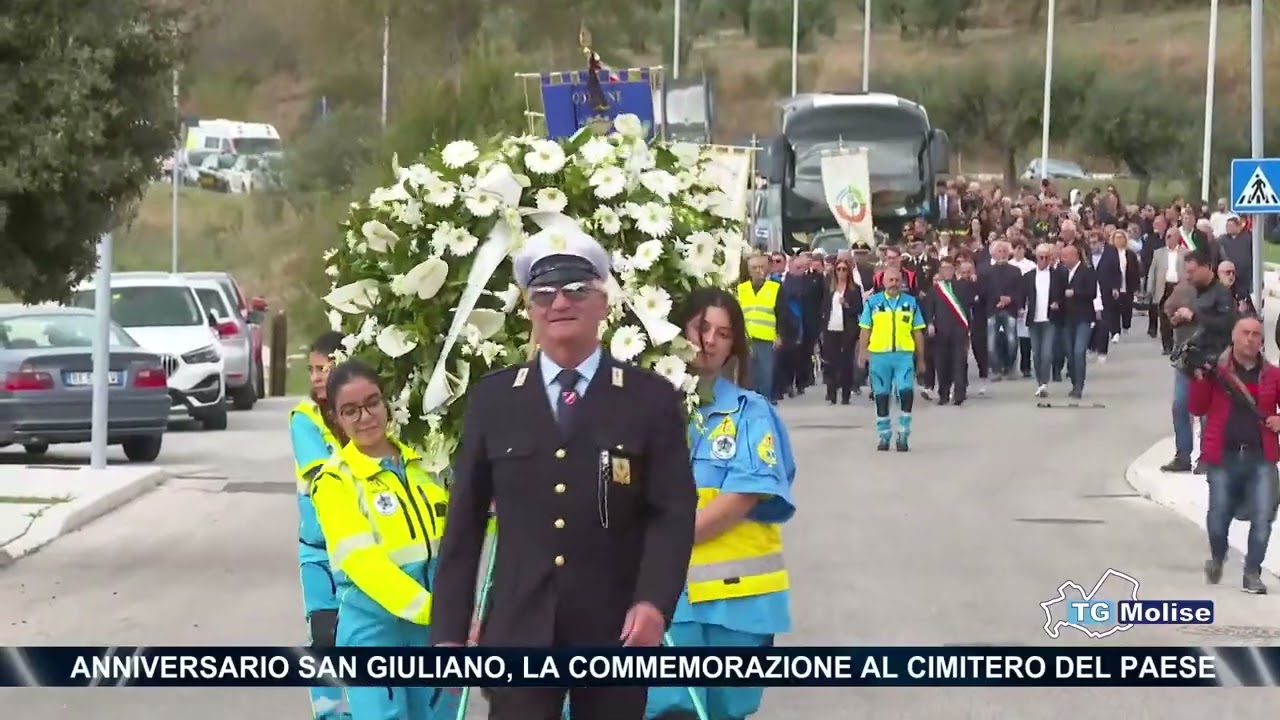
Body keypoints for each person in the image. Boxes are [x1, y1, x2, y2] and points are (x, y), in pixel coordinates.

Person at [431, 227, 697, 720]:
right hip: (517, 629)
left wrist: (654, 602)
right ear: (530, 310)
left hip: (615, 628)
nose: (560, 304)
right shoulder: (494, 399)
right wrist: (448, 629)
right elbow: (464, 522)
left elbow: (673, 513)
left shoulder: (648, 399)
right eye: (544, 294)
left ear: (602, 303)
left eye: (577, 291)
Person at [645, 288, 797, 720]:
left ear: (735, 345)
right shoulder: (645, 411)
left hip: (739, 610)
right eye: (701, 327)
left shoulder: (751, 413)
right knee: (670, 711)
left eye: (724, 333)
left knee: (728, 712)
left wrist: (661, 542)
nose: (709, 340)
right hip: (669, 605)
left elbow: (742, 497)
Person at [309, 360, 458, 720]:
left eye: (372, 402)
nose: (365, 417)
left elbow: (462, 538)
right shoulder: (335, 482)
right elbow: (366, 565)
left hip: (432, 634)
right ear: (335, 419)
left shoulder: (428, 463)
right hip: (373, 633)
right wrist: (434, 610)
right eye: (350, 410)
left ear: (386, 402)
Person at [1188, 317, 1280, 594]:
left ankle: (1252, 572)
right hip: (1223, 456)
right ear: (1234, 336)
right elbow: (1197, 407)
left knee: (1263, 517)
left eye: (1256, 335)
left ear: (1262, 341)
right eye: (1245, 333)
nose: (1250, 339)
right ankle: (1218, 556)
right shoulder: (1216, 370)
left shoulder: (1273, 374)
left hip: (1261, 457)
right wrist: (1199, 380)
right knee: (1218, 517)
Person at [289, 332, 350, 720]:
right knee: (325, 638)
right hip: (319, 551)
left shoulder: (365, 411)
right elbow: (322, 476)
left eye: (323, 368)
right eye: (311, 369)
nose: (315, 377)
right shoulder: (305, 418)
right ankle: (331, 715)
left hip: (364, 552)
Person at [857, 267, 926, 452]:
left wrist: (921, 359)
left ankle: (904, 432)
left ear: (902, 282)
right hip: (879, 356)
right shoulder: (873, 303)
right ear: (883, 282)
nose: (894, 284)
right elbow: (865, 329)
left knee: (905, 392)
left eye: (897, 280)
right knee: (881, 395)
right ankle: (884, 434)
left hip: (904, 355)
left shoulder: (911, 303)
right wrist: (862, 353)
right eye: (890, 280)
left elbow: (917, 331)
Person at [923, 258, 974, 406]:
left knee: (959, 362)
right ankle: (943, 394)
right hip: (941, 331)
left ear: (954, 270)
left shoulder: (963, 286)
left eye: (950, 268)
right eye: (944, 268)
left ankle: (959, 394)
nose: (947, 271)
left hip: (959, 330)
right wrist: (930, 324)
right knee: (942, 364)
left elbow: (972, 303)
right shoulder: (935, 289)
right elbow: (929, 309)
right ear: (940, 271)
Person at [737, 254, 786, 403]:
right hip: (746, 340)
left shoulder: (775, 288)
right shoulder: (741, 289)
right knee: (748, 376)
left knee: (765, 376)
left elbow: (782, 313)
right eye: (754, 268)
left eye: (762, 267)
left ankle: (765, 403)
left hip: (766, 339)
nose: (759, 271)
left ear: (768, 269)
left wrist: (780, 334)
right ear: (749, 270)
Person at [1021, 243, 1066, 399]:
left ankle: (1044, 383)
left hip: (1050, 319)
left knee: (1046, 353)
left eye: (1047, 257)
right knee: (1036, 353)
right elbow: (1022, 296)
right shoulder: (1028, 276)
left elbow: (1063, 295)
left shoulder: (1058, 275)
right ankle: (1040, 382)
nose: (1044, 260)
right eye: (1041, 257)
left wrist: (1057, 303)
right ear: (1036, 258)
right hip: (1034, 319)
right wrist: (1020, 308)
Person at [819, 258, 862, 405]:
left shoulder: (854, 289)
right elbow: (823, 306)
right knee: (830, 362)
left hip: (847, 330)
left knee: (846, 363)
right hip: (831, 328)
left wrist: (847, 304)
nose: (841, 272)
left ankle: (845, 394)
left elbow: (859, 309)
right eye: (839, 269)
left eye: (844, 269)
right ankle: (831, 392)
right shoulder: (829, 287)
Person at [1057, 244, 1097, 400]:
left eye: (1065, 257)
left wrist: (1075, 293)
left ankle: (1079, 385)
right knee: (1070, 352)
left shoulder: (1087, 271)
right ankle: (1074, 382)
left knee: (1079, 351)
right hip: (1067, 319)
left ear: (1075, 256)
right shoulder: (1062, 273)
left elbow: (1092, 292)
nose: (1063, 260)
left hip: (1083, 317)